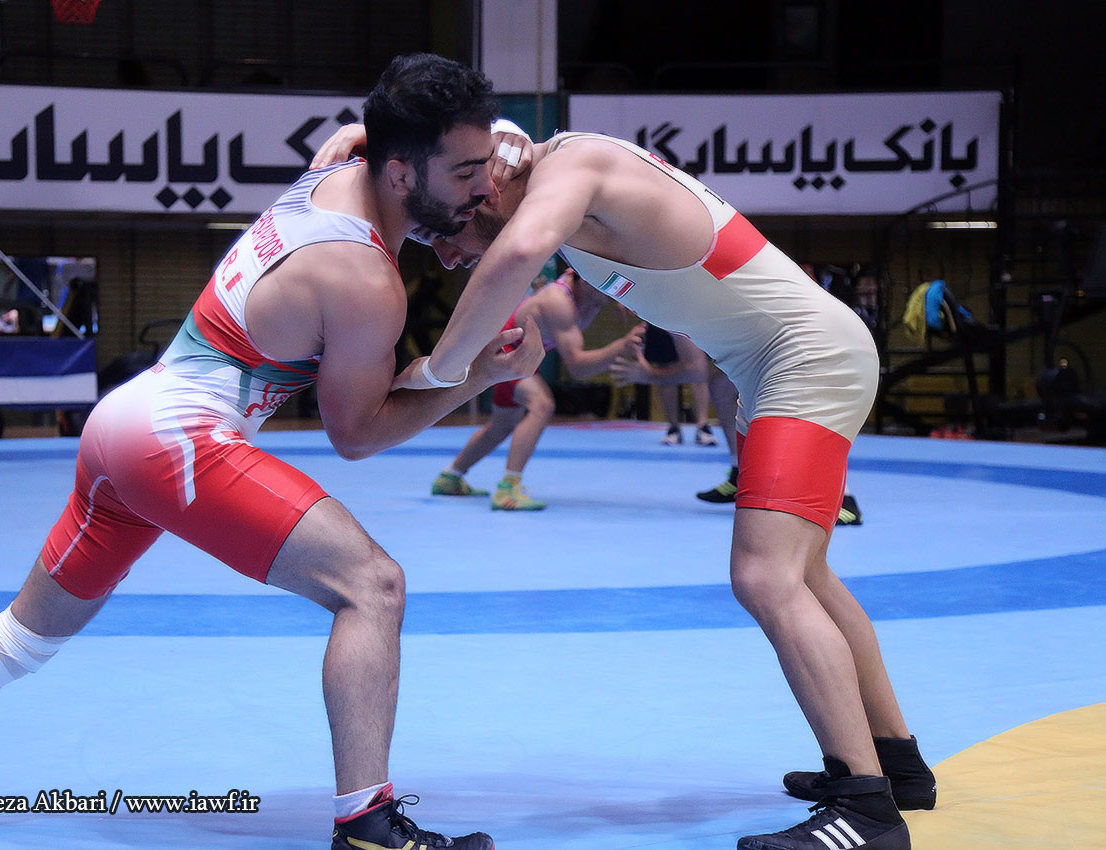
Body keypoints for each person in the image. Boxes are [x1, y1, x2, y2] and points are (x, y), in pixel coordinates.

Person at [0, 54, 542, 850]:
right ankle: (366, 824)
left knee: (20, 638)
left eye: (482, 171)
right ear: (400, 172)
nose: (480, 192)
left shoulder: (338, 163)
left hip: (123, 428)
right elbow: (357, 435)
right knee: (373, 585)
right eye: (465, 174)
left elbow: (372, 133)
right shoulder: (365, 280)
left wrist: (496, 144)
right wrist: (475, 377)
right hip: (177, 442)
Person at [379, 129, 935, 850]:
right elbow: (488, 175)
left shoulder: (574, 166)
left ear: (482, 186)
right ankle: (897, 767)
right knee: (807, 575)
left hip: (806, 360)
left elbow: (515, 251)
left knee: (766, 577)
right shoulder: (553, 188)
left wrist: (435, 372)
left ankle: (866, 812)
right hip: (785, 365)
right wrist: (364, 137)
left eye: (442, 234)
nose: (448, 258)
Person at [430, 258, 644, 510]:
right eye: (605, 284)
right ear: (584, 278)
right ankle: (508, 489)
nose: (610, 290)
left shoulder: (593, 290)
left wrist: (624, 300)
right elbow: (577, 367)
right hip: (507, 351)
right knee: (541, 405)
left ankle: (450, 476)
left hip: (524, 355)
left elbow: (596, 278)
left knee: (501, 426)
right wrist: (619, 347)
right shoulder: (558, 303)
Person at [611, 345, 864, 525]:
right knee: (723, 387)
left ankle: (843, 499)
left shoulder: (672, 299)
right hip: (760, 336)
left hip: (797, 339)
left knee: (790, 394)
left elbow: (695, 369)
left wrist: (648, 375)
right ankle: (738, 472)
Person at [642, 324, 718, 447]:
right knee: (665, 367)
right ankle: (673, 428)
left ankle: (703, 426)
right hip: (660, 321)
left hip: (688, 319)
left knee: (698, 369)